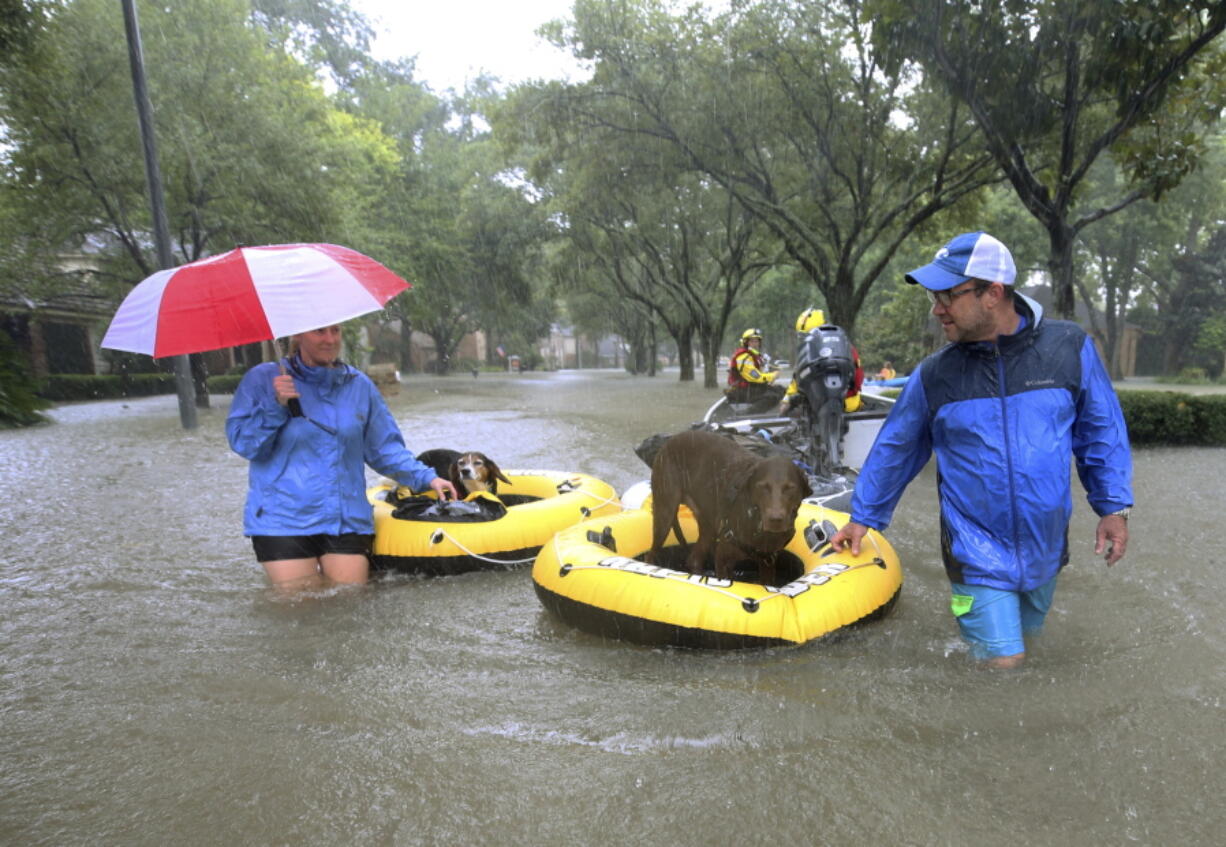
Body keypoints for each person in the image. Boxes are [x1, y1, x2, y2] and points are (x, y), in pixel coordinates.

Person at [830, 231, 1133, 669]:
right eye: (934, 298)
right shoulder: (936, 375)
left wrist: (1114, 507)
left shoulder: (1069, 349)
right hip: (973, 550)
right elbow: (897, 446)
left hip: (1045, 547)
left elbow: (1100, 430)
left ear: (992, 293)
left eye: (947, 296)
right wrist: (864, 517)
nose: (937, 310)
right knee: (1004, 666)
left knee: (1030, 651)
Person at [226, 325, 457, 590]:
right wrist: (275, 406)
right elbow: (245, 445)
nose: (330, 340)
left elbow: (384, 449)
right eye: (320, 332)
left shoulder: (358, 385)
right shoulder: (264, 379)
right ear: (298, 335)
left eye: (335, 332)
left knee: (348, 605)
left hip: (346, 517)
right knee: (300, 607)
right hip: (283, 518)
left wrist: (428, 478)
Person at [778, 308, 864, 414]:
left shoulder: (813, 352)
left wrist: (786, 402)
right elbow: (797, 378)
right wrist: (787, 400)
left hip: (833, 407)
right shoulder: (844, 346)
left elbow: (798, 379)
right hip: (848, 405)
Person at [725, 328, 782, 406]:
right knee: (772, 397)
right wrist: (772, 376)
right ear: (745, 342)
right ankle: (745, 413)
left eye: (757, 341)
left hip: (752, 388)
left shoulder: (754, 355)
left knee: (781, 390)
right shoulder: (743, 357)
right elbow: (755, 377)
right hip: (742, 391)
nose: (755, 344)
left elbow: (762, 372)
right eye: (752, 341)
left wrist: (772, 374)